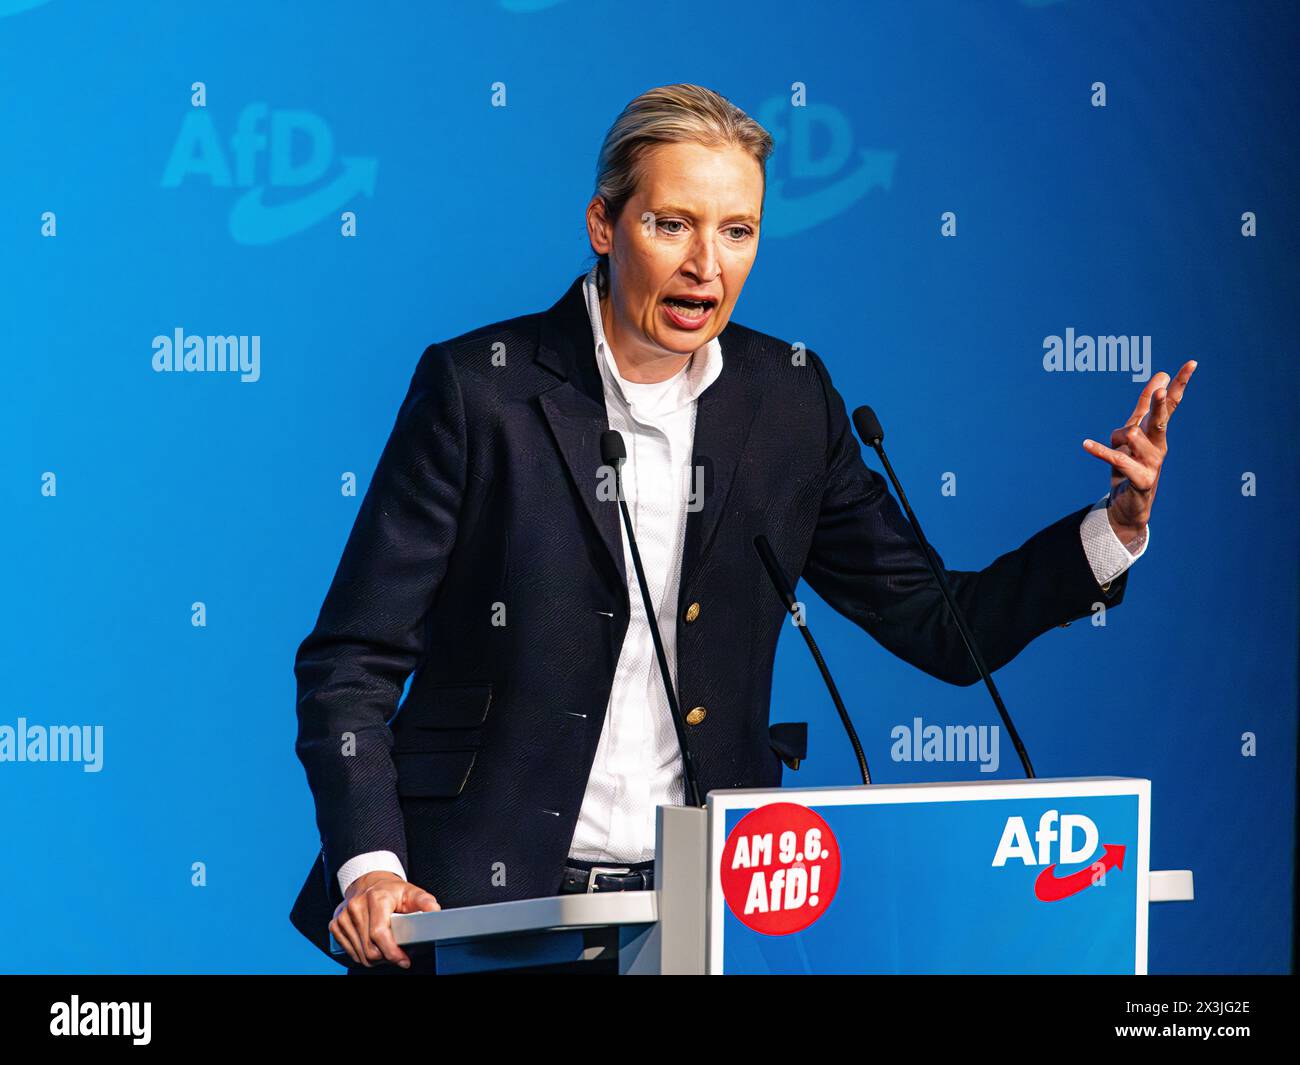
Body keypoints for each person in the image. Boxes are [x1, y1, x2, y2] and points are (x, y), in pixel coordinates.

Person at [289, 83, 1196, 971]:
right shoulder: (479, 388)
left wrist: (1114, 526)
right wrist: (372, 867)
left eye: (738, 231)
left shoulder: (790, 401)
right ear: (605, 225)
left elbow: (942, 627)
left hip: (714, 918)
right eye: (672, 224)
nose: (706, 266)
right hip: (487, 911)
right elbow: (351, 661)